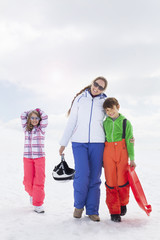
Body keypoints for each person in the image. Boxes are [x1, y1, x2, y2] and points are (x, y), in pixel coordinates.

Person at [59, 76, 108, 222]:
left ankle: (92, 210)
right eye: (96, 85)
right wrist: (63, 143)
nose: (97, 88)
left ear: (103, 90)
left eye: (101, 87)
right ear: (92, 83)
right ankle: (79, 206)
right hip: (78, 142)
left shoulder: (104, 101)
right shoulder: (80, 99)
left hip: (97, 143)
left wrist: (127, 136)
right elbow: (72, 120)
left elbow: (113, 119)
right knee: (81, 175)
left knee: (95, 177)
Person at [103, 97, 136, 222]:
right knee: (111, 182)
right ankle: (114, 211)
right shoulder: (105, 123)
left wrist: (132, 159)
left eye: (112, 109)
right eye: (107, 110)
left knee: (122, 181)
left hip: (122, 152)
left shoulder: (125, 122)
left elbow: (129, 141)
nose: (110, 112)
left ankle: (122, 203)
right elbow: (102, 140)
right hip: (108, 152)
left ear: (118, 107)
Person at [21, 108, 48, 213]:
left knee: (39, 180)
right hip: (27, 157)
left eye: (36, 118)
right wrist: (30, 112)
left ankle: (38, 204)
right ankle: (32, 194)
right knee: (28, 181)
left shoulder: (41, 129)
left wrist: (38, 110)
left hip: (39, 157)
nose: (34, 119)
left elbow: (45, 116)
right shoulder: (26, 129)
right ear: (29, 119)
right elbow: (23, 114)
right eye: (32, 117)